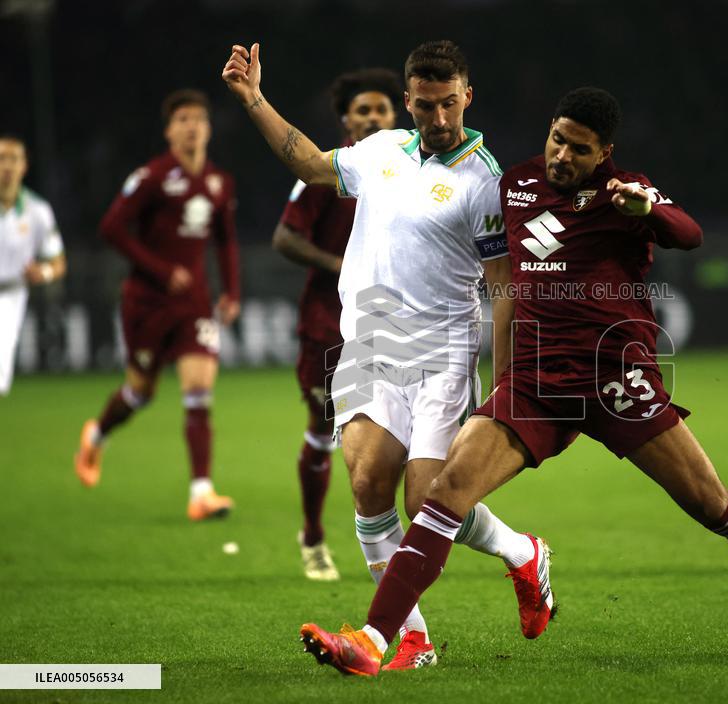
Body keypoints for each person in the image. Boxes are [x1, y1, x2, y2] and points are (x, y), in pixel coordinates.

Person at [294, 87, 728, 677]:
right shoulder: (515, 184)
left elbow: (689, 235)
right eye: (558, 140)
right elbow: (487, 268)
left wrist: (651, 210)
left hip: (616, 382)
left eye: (579, 148)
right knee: (444, 494)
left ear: (604, 152)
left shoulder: (626, 195)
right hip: (536, 383)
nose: (563, 156)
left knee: (715, 507)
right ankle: (373, 641)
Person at [223, 40, 554, 670]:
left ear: (467, 97)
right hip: (371, 340)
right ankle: (416, 640)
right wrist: (255, 101)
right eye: (426, 106)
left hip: (443, 354)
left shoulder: (485, 183)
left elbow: (504, 287)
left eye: (449, 104)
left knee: (429, 501)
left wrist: (504, 385)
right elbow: (311, 165)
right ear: (408, 101)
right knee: (370, 483)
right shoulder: (379, 151)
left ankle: (522, 554)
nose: (438, 118)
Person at [74, 90, 241, 522]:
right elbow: (111, 227)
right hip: (147, 302)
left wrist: (232, 292)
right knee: (140, 392)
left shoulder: (219, 182)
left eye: (198, 119)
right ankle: (97, 434)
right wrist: (161, 269)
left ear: (208, 128)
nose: (191, 126)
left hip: (195, 305)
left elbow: (225, 241)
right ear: (169, 130)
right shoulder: (151, 177)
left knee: (199, 391)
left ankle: (201, 493)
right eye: (182, 119)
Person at [271, 68, 402, 582]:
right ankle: (313, 536)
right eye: (363, 111)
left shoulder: (407, 168)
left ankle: (390, 539)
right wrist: (339, 265)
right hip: (329, 323)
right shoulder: (334, 170)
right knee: (327, 432)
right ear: (346, 119)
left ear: (398, 115)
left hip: (392, 325)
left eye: (382, 110)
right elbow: (285, 237)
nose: (373, 118)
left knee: (396, 437)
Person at [0, 135, 66, 396]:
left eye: (13, 159)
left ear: (24, 166)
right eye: (2, 158)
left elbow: (59, 262)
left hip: (11, 295)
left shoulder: (37, 211)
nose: (7, 165)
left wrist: (44, 272)